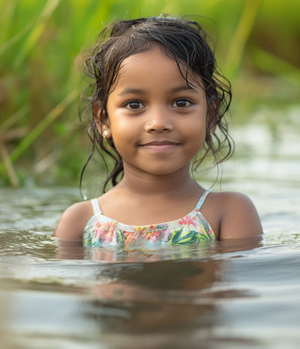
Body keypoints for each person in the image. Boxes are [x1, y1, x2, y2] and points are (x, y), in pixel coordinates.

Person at [54, 16, 262, 247]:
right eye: (134, 105)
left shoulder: (229, 213)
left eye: (181, 103)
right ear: (104, 120)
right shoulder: (80, 222)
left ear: (210, 116)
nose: (158, 122)